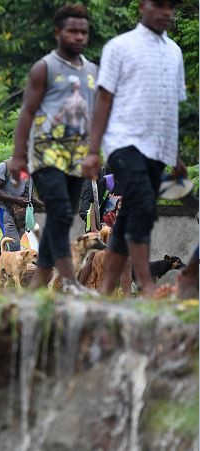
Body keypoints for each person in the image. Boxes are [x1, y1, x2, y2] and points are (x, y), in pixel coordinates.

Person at [84, 0, 187, 297]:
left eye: (171, 6)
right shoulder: (120, 47)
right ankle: (146, 283)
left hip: (157, 149)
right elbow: (103, 99)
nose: (166, 11)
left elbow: (170, 109)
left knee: (130, 214)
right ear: (143, 5)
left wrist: (175, 155)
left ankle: (105, 289)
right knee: (142, 204)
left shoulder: (174, 52)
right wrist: (93, 149)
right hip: (123, 143)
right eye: (159, 4)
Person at [8, 4, 97, 294]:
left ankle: (36, 286)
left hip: (76, 159)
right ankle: (69, 281)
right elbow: (27, 113)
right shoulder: (44, 67)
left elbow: (95, 115)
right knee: (59, 210)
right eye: (72, 30)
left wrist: (95, 152)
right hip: (45, 156)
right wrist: (18, 155)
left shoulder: (93, 71)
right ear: (58, 32)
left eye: (83, 31)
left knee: (63, 215)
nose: (79, 36)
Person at [0, 158, 43, 282]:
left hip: (22, 216)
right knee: (14, 245)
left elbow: (29, 197)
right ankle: (12, 283)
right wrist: (15, 200)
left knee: (5, 249)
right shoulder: (5, 166)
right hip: (5, 211)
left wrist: (44, 205)